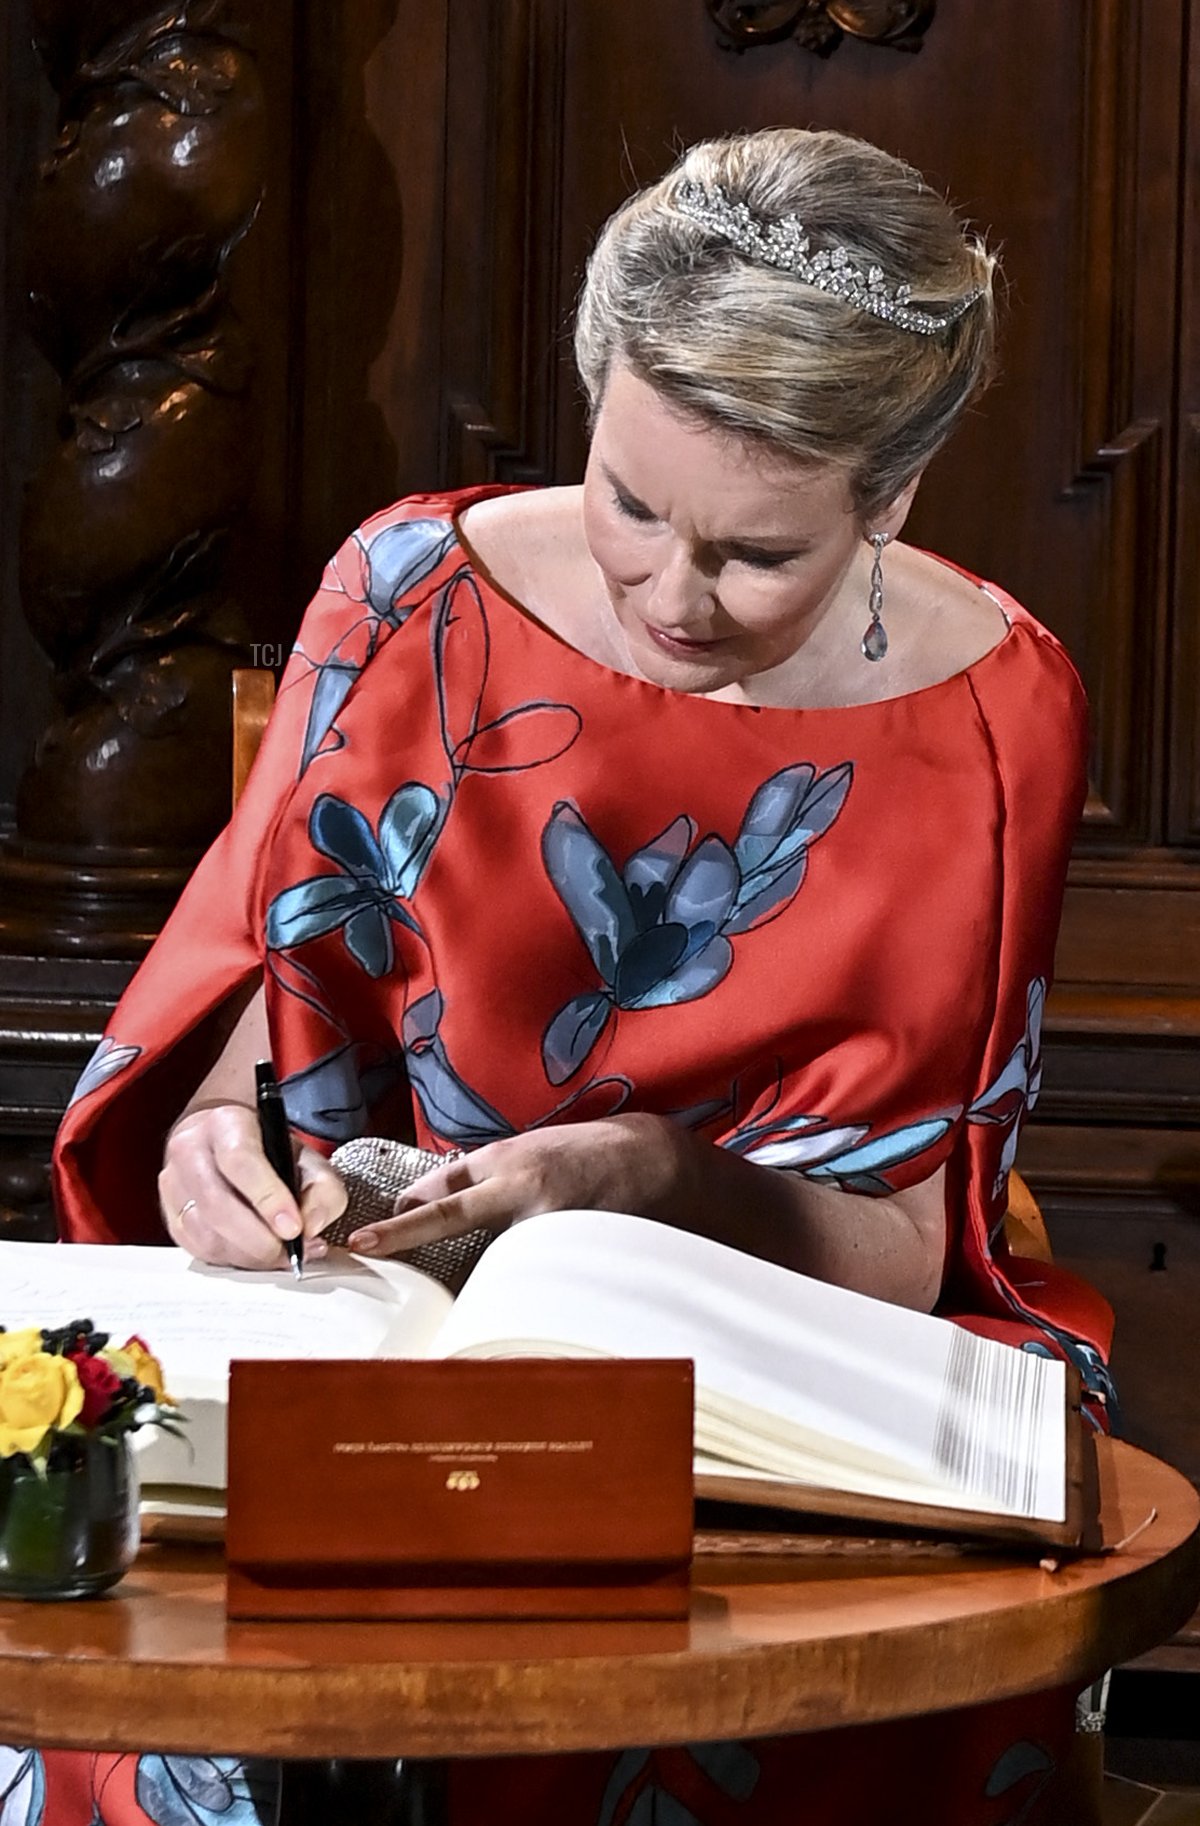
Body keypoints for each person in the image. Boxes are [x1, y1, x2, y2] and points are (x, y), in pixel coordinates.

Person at [32, 127, 1113, 1825]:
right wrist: (206, 1146)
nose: (667, 595)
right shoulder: (403, 593)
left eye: (756, 555)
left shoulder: (998, 723)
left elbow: (914, 1249)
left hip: (756, 1373)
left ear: (891, 497)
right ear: (595, 387)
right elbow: (271, 994)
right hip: (359, 1331)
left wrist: (649, 1180)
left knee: (788, 1699)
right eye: (630, 501)